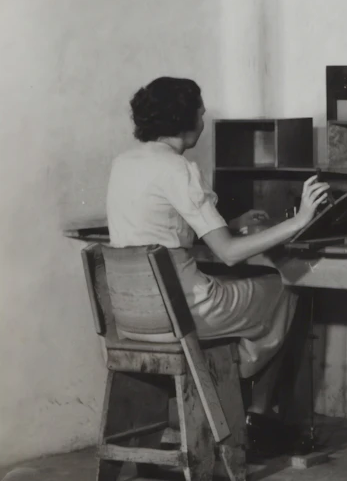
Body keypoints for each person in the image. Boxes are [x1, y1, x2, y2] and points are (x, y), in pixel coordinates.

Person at [106, 77, 328, 422]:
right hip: (184, 314)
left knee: (258, 292)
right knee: (287, 287)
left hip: (133, 319)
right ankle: (255, 409)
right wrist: (299, 222)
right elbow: (228, 254)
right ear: (185, 120)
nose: (204, 119)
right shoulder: (179, 169)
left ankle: (240, 397)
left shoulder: (125, 163)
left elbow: (161, 229)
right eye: (200, 113)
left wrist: (231, 222)